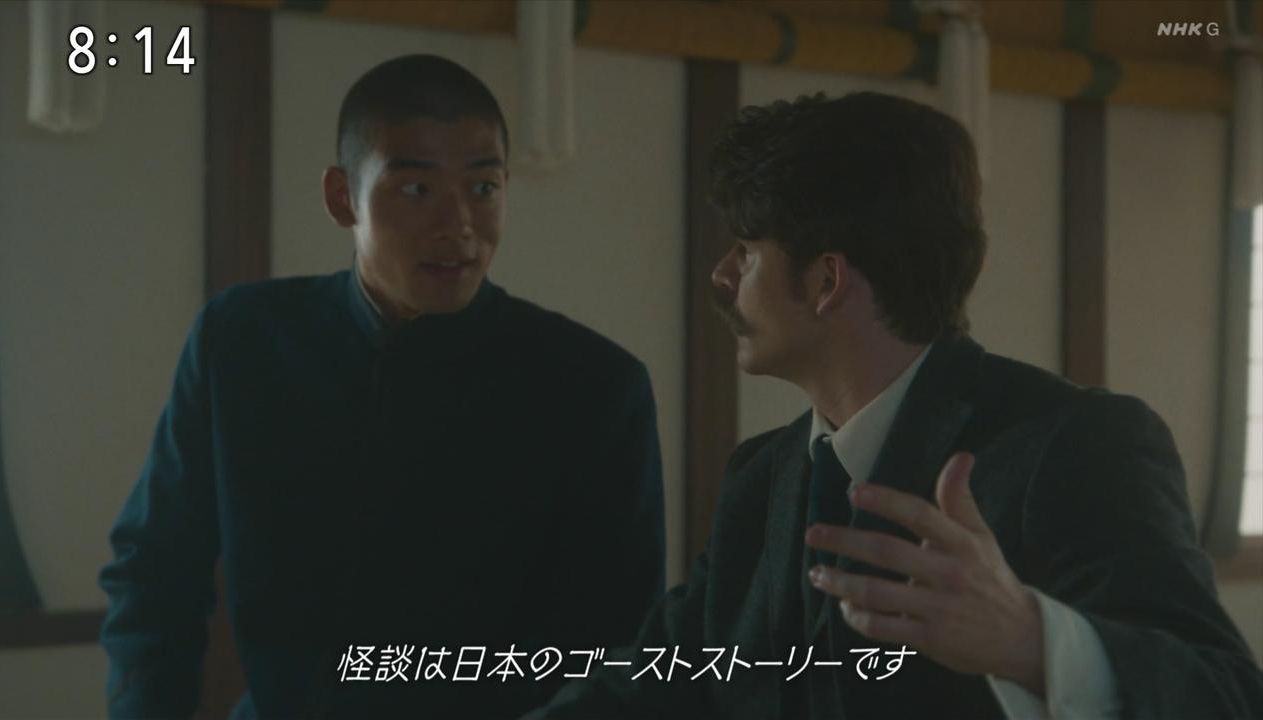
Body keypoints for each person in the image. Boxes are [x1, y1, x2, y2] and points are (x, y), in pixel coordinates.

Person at [528, 92, 1263, 719]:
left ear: (826, 282)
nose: (722, 276)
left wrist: (1030, 642)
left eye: (746, 250)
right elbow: (657, 679)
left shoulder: (1076, 445)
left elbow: (1226, 695)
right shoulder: (763, 477)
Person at [98, 54, 665, 719]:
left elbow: (610, 652)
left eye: (483, 188)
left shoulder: (593, 387)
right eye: (417, 189)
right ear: (343, 197)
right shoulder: (243, 341)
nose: (458, 224)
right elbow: (155, 568)